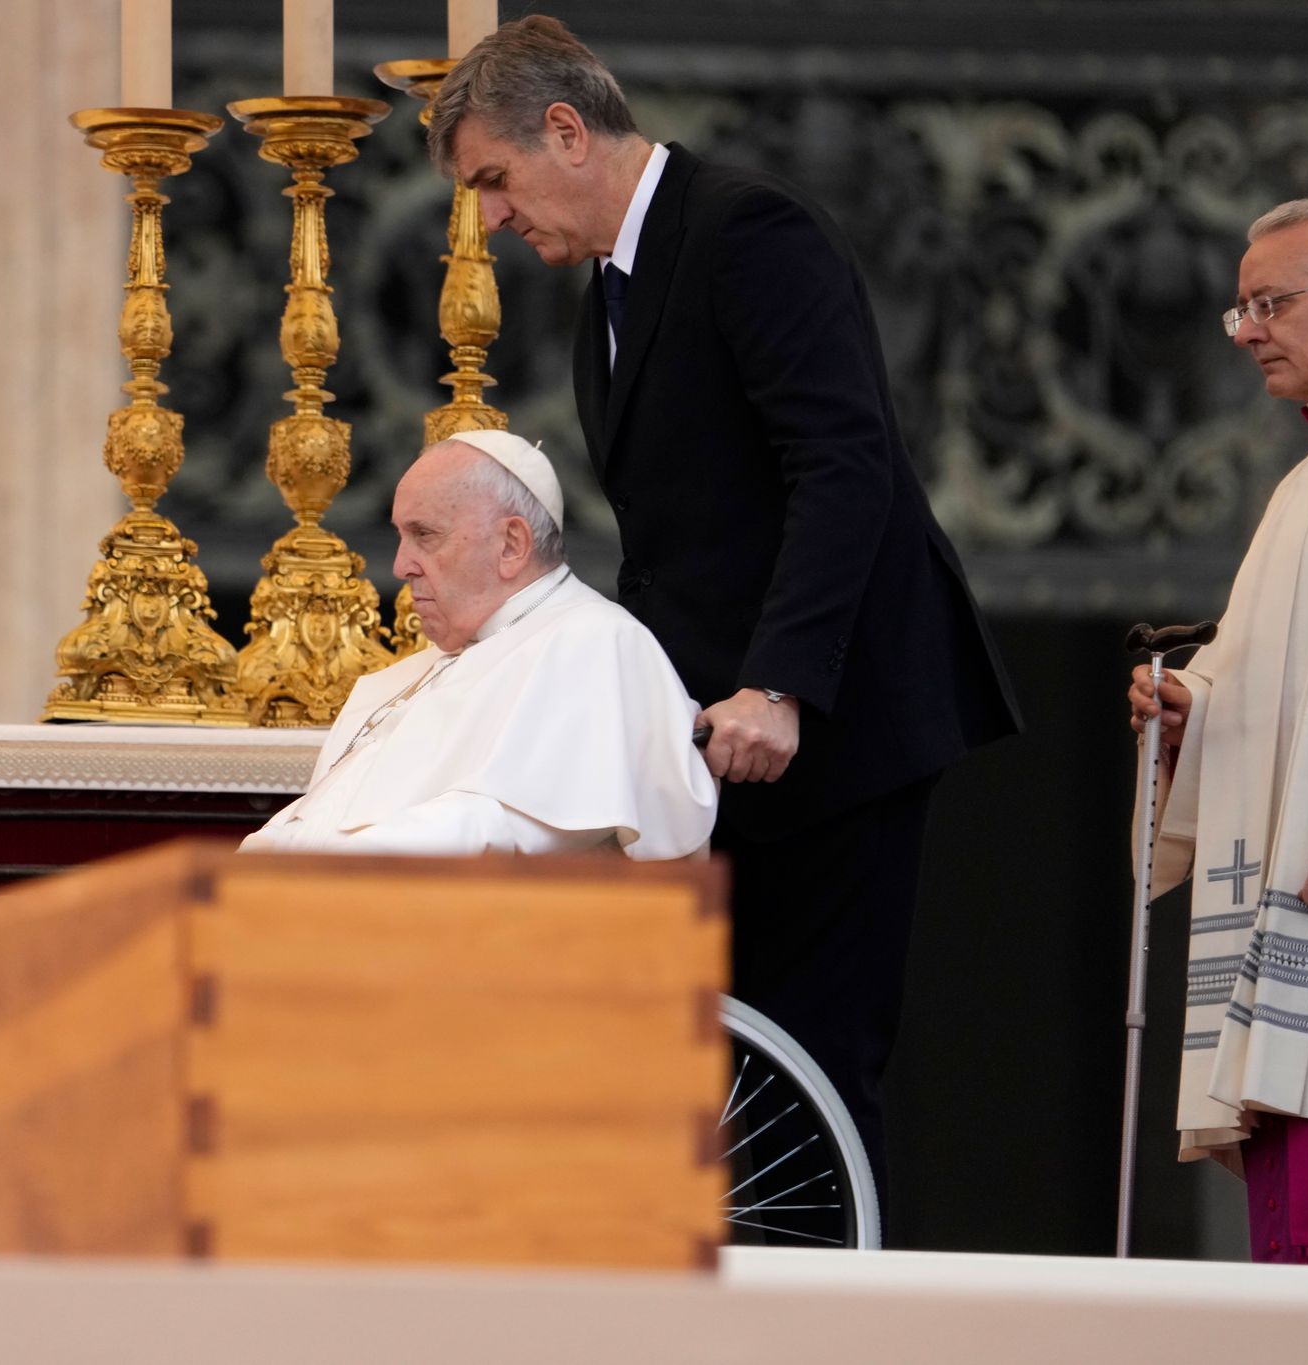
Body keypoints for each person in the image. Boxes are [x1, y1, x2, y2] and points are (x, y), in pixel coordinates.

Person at [426, 16, 1019, 1193]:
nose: (488, 218)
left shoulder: (747, 231)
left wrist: (780, 682)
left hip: (834, 720)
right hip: (724, 739)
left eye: (494, 180)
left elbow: (842, 464)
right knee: (715, 1065)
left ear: (565, 131)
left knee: (815, 1065)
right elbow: (674, 547)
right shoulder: (610, 288)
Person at [1128, 195, 1308, 1266]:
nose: (1247, 336)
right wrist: (1194, 709)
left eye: (1268, 306)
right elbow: (1283, 682)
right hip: (1295, 910)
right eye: (1238, 315)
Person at [241, 430, 715, 859]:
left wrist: (309, 871)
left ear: (512, 544)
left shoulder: (598, 643)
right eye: (401, 536)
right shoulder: (411, 675)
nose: (401, 565)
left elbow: (502, 827)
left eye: (424, 535)